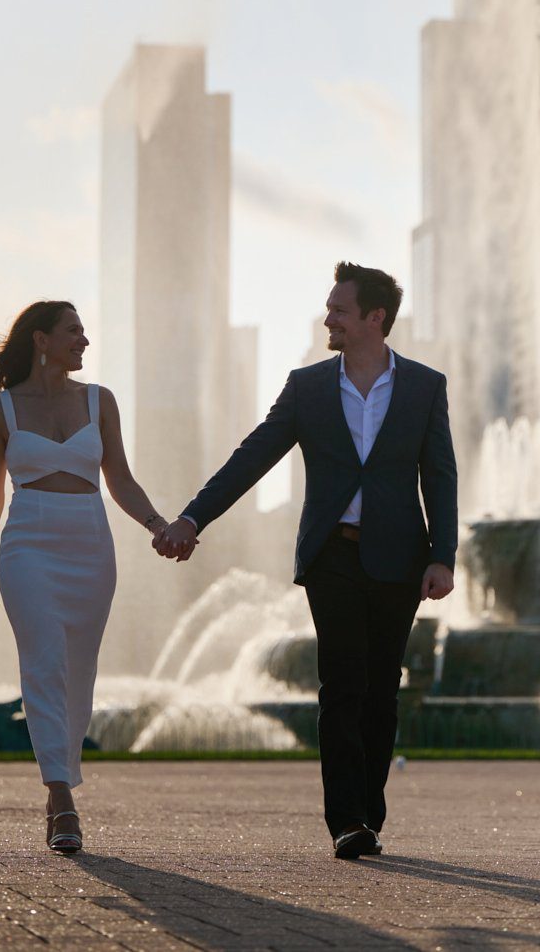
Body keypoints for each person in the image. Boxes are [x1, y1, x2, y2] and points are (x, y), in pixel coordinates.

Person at [156, 261, 457, 858]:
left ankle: (368, 810)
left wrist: (442, 556)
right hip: (332, 558)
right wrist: (193, 518)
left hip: (400, 560)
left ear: (375, 318)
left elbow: (440, 476)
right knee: (342, 685)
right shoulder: (308, 387)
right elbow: (253, 457)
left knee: (381, 693)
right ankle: (347, 821)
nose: (329, 318)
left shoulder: (425, 386)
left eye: (340, 310)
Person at [0, 300, 169, 853]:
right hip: (27, 541)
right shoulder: (0, 412)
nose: (83, 340)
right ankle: (60, 799)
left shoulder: (100, 401)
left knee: (79, 672)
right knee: (43, 663)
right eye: (73, 331)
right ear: (41, 339)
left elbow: (120, 478)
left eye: (84, 332)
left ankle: (63, 773)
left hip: (89, 540)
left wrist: (156, 523)